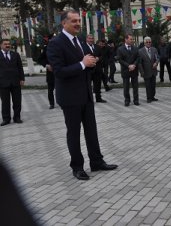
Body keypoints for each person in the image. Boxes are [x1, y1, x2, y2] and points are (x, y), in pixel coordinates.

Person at [47, 9, 117, 180]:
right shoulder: (56, 43)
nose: (78, 23)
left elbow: (85, 63)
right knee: (74, 132)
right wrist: (82, 64)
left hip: (86, 94)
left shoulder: (79, 41)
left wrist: (90, 64)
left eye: (79, 20)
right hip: (70, 97)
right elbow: (59, 71)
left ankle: (96, 161)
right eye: (74, 21)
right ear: (64, 23)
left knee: (91, 130)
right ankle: (77, 166)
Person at [0, 39, 25, 126]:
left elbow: (20, 67)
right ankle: (6, 119)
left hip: (15, 82)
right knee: (5, 102)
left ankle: (17, 117)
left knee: (17, 101)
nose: (7, 45)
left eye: (8, 44)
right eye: (5, 44)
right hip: (3, 83)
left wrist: (22, 79)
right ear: (1, 45)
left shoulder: (15, 55)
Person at [82, 35, 109, 103]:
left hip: (97, 69)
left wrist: (98, 58)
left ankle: (98, 98)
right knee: (87, 85)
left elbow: (101, 56)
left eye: (92, 38)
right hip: (88, 69)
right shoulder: (83, 47)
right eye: (89, 38)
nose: (91, 40)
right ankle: (88, 99)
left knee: (98, 84)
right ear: (86, 39)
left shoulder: (97, 47)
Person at [116, 34, 140, 106]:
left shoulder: (135, 48)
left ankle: (136, 100)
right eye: (130, 39)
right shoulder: (120, 49)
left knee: (135, 86)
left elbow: (138, 58)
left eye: (132, 39)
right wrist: (128, 66)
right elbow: (120, 60)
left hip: (134, 70)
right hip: (125, 70)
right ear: (126, 40)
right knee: (126, 87)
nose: (132, 40)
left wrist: (134, 65)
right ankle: (127, 100)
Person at [138, 36, 159, 103]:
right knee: (148, 85)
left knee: (153, 85)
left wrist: (156, 63)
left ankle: (152, 97)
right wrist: (141, 72)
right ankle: (149, 98)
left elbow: (157, 58)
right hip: (146, 71)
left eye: (149, 42)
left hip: (153, 71)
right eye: (147, 42)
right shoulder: (140, 51)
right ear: (144, 43)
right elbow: (140, 63)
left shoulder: (154, 49)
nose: (148, 43)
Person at [37, 36, 55, 109]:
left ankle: (63, 102)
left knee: (62, 88)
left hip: (60, 71)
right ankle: (51, 104)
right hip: (51, 72)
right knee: (50, 89)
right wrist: (47, 65)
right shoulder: (46, 48)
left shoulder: (61, 47)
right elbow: (40, 59)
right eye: (51, 40)